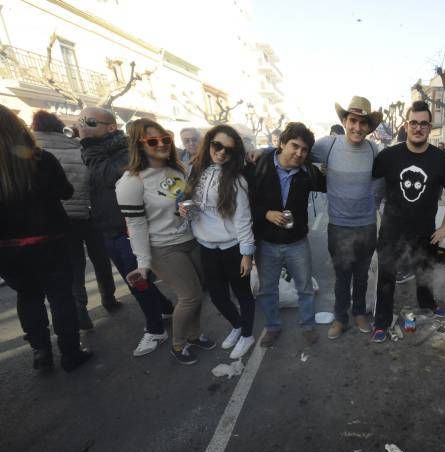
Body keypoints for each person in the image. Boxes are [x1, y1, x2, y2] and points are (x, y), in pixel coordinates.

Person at [0, 104, 92, 372]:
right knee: (60, 296)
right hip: (50, 242)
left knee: (28, 298)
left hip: (8, 250)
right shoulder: (42, 159)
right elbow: (65, 192)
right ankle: (70, 353)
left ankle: (41, 352)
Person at [116, 118, 215, 365]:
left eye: (165, 139)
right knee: (189, 296)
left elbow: (184, 206)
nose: (160, 144)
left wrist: (189, 211)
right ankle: (178, 345)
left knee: (198, 294)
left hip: (190, 240)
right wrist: (143, 263)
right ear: (139, 145)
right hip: (163, 247)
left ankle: (193, 335)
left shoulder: (176, 169)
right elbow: (135, 226)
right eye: (152, 141)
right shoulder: (131, 182)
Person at [78, 106, 175, 357]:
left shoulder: (123, 154)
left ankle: (156, 329)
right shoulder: (93, 153)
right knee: (134, 281)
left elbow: (106, 177)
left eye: (89, 122)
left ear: (111, 127)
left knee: (138, 282)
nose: (81, 126)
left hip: (128, 229)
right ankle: (165, 307)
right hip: (108, 228)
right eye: (80, 121)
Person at [370, 100, 445, 343]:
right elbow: (365, 177)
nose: (418, 128)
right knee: (386, 278)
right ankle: (381, 322)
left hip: (425, 232)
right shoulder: (389, 156)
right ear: (406, 125)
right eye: (413, 123)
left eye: (423, 124)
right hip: (391, 231)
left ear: (429, 127)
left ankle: (428, 304)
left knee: (425, 272)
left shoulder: (440, 159)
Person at [30, 110, 119, 331]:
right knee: (100, 258)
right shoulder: (78, 145)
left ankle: (81, 312)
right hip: (90, 212)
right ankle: (109, 298)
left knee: (74, 265)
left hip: (61, 218)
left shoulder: (35, 153)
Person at [310, 96, 383, 340]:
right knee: (342, 277)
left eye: (363, 123)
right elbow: (294, 151)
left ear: (369, 127)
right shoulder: (327, 145)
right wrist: (261, 152)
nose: (357, 128)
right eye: (353, 121)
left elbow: (386, 178)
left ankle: (359, 312)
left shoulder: (375, 149)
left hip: (367, 226)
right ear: (344, 121)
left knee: (362, 275)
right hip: (339, 226)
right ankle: (340, 318)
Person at [249, 122, 326, 348]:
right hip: (267, 242)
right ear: (282, 143)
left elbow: (331, 185)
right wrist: (266, 214)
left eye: (304, 150)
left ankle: (308, 325)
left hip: (296, 242)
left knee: (304, 287)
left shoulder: (308, 171)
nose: (299, 153)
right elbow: (243, 204)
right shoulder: (259, 166)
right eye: (294, 146)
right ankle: (272, 327)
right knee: (268, 288)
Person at [185, 126, 256, 360]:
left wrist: (247, 254)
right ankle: (237, 325)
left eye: (228, 149)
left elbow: (244, 219)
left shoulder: (237, 181)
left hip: (232, 247)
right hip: (206, 246)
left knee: (242, 294)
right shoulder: (196, 171)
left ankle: (247, 334)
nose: (222, 152)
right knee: (217, 296)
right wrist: (183, 211)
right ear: (209, 143)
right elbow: (191, 205)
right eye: (217, 146)